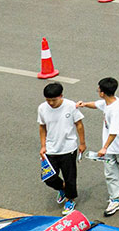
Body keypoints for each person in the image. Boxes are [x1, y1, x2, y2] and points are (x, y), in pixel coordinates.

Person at [74, 77, 119, 218]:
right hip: (109, 151)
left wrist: (104, 148)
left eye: (98, 89)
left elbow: (114, 131)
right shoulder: (109, 102)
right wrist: (84, 104)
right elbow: (97, 104)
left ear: (102, 92)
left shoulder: (115, 109)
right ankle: (115, 200)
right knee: (110, 174)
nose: (98, 91)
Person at [37, 81, 86, 216]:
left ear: (61, 96)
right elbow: (42, 127)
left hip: (68, 148)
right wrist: (43, 145)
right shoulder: (42, 108)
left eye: (53, 100)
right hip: (51, 149)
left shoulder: (71, 106)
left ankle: (70, 199)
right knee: (48, 177)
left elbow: (79, 125)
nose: (51, 103)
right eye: (48, 100)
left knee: (70, 176)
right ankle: (63, 188)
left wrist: (82, 143)